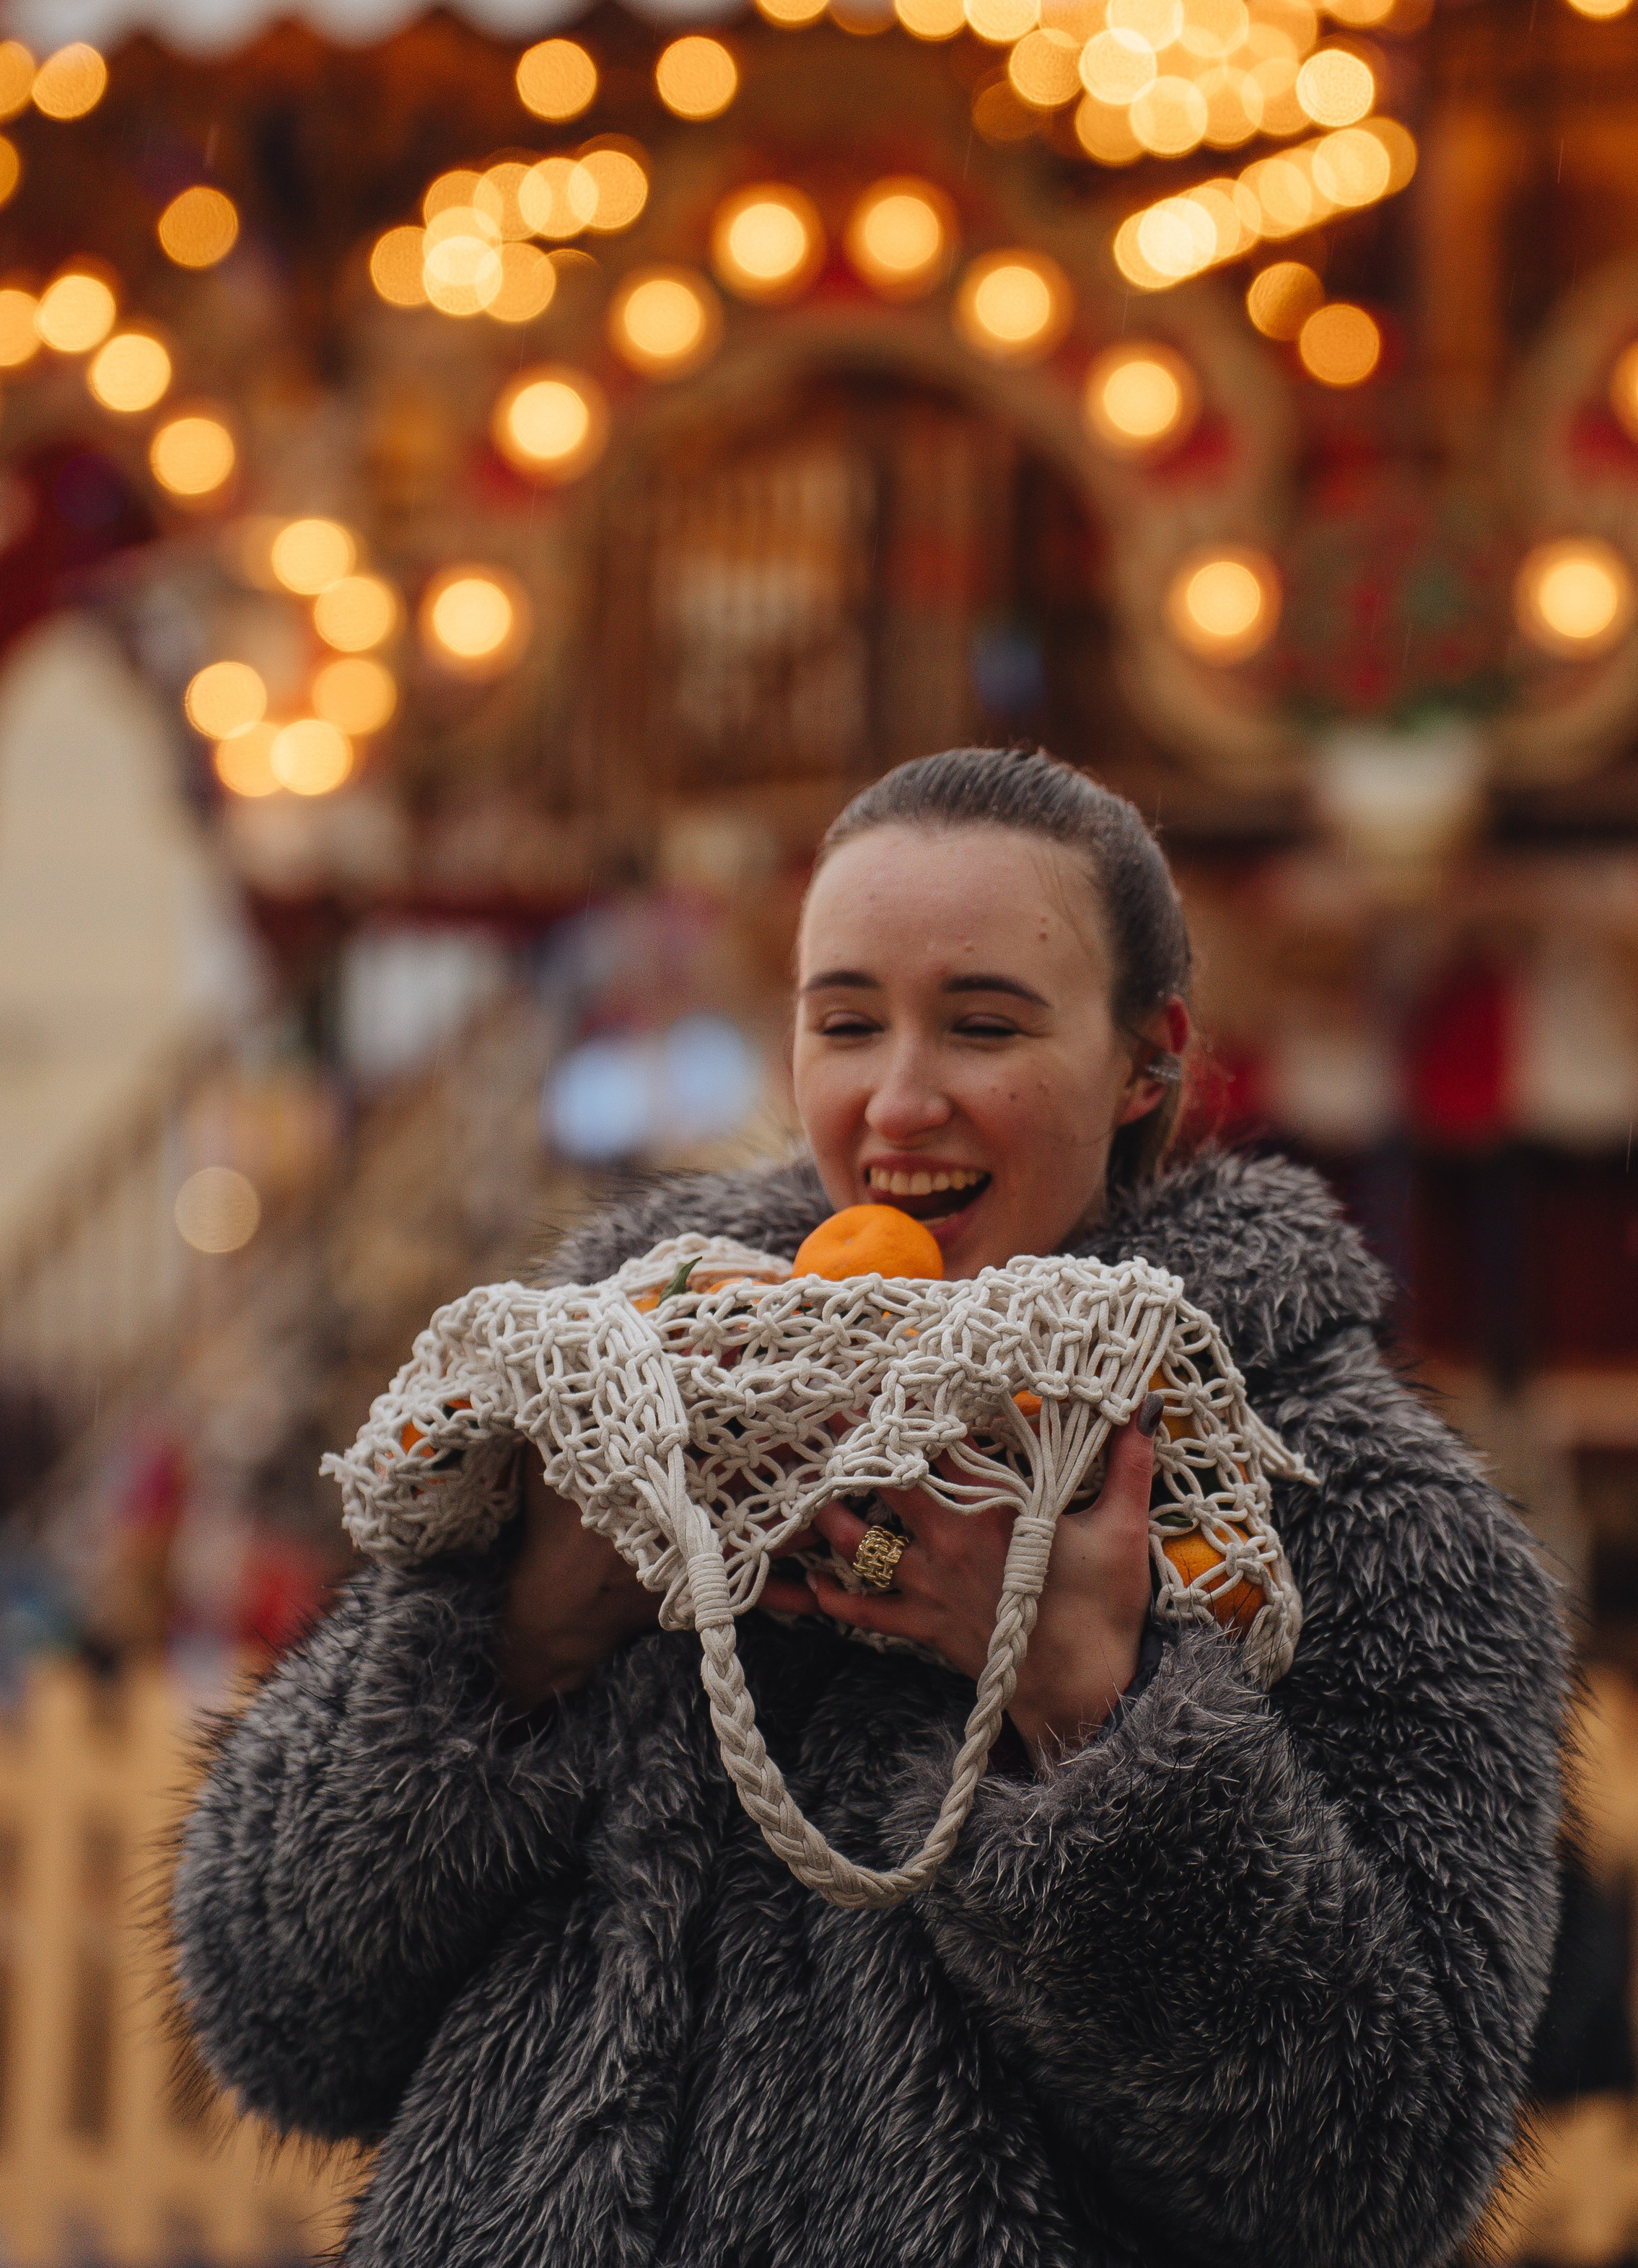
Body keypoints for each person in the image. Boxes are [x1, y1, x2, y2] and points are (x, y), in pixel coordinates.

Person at [173, 747, 1566, 2268]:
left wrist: (1091, 1714)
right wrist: (515, 1646)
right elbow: (275, 2016)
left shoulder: (1343, 1510)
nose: (899, 1102)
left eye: (983, 1025)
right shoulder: (608, 1400)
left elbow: (1370, 2177)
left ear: (1143, 1062)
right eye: (844, 1023)